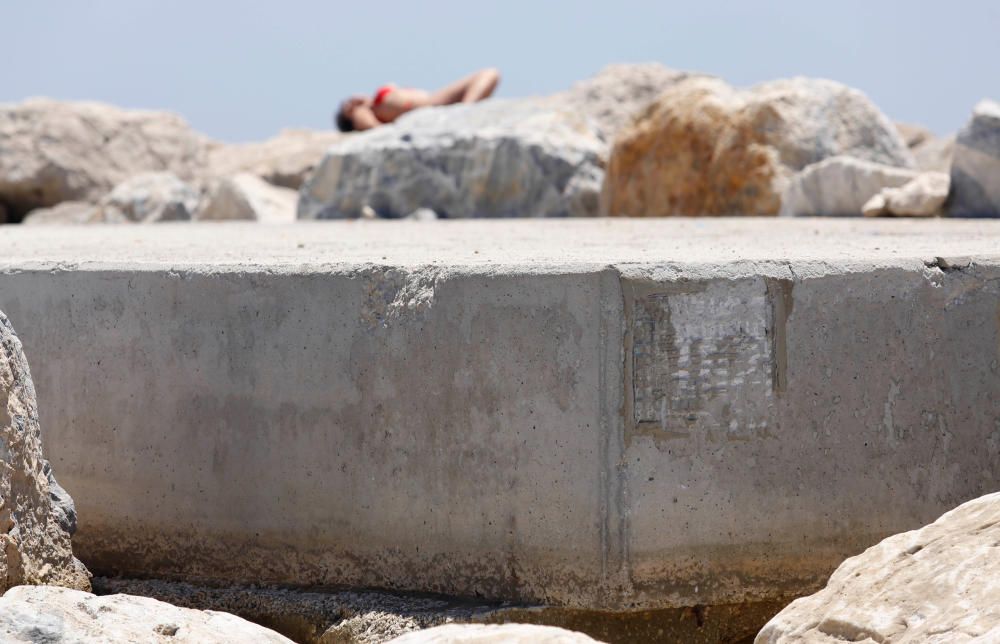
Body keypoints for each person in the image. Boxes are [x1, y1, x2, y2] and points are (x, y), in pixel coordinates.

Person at [335, 68, 501, 132]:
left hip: (436, 103)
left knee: (489, 74)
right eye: (346, 106)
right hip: (432, 110)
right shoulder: (360, 112)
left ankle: (464, 113)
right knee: (488, 75)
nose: (351, 100)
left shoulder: (371, 103)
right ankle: (464, 115)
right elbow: (374, 128)